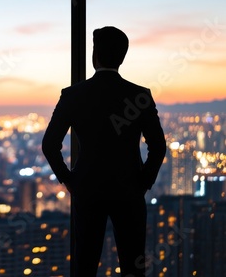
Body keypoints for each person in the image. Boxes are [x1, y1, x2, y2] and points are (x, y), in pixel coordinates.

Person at [42, 26, 167, 277]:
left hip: (87, 189)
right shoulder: (139, 95)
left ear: (94, 54)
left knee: (85, 264)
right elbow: (158, 146)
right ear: (122, 57)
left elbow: (49, 145)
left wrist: (70, 180)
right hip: (129, 189)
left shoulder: (73, 95)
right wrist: (143, 183)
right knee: (133, 265)